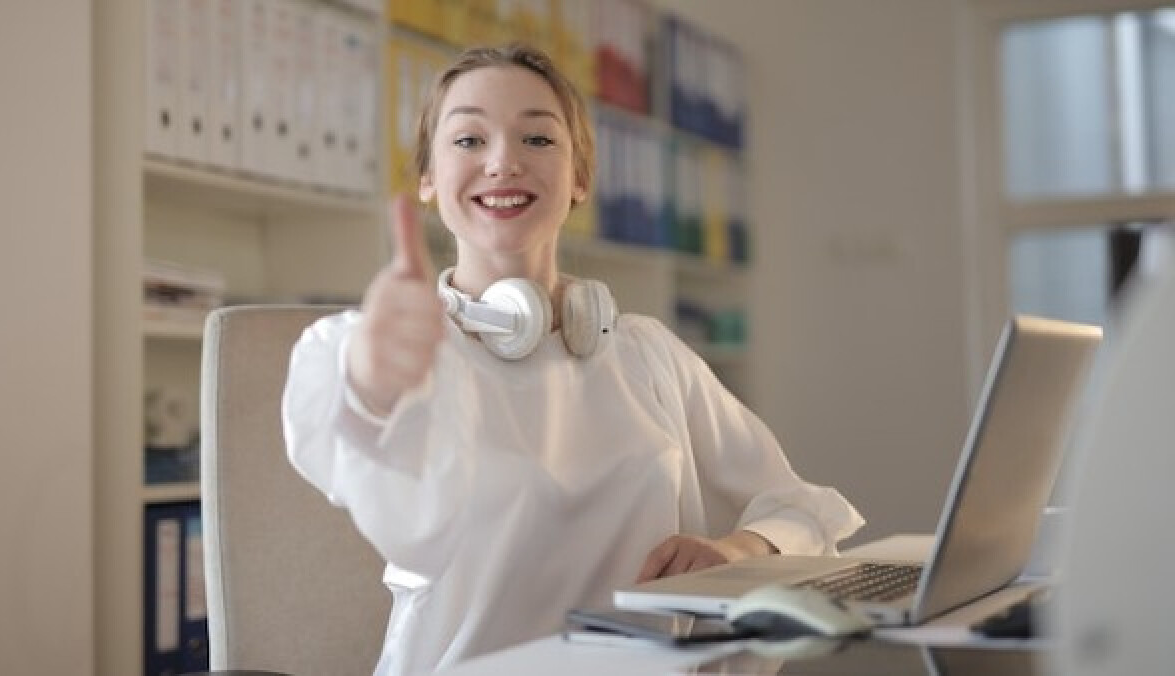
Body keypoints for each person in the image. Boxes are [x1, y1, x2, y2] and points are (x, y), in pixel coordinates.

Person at [282, 43, 864, 676]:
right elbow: (373, 465)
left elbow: (803, 509)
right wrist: (374, 383)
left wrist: (736, 547)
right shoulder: (397, 350)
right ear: (426, 179)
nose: (502, 161)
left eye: (537, 138)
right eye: (469, 140)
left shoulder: (647, 354)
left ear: (580, 178)